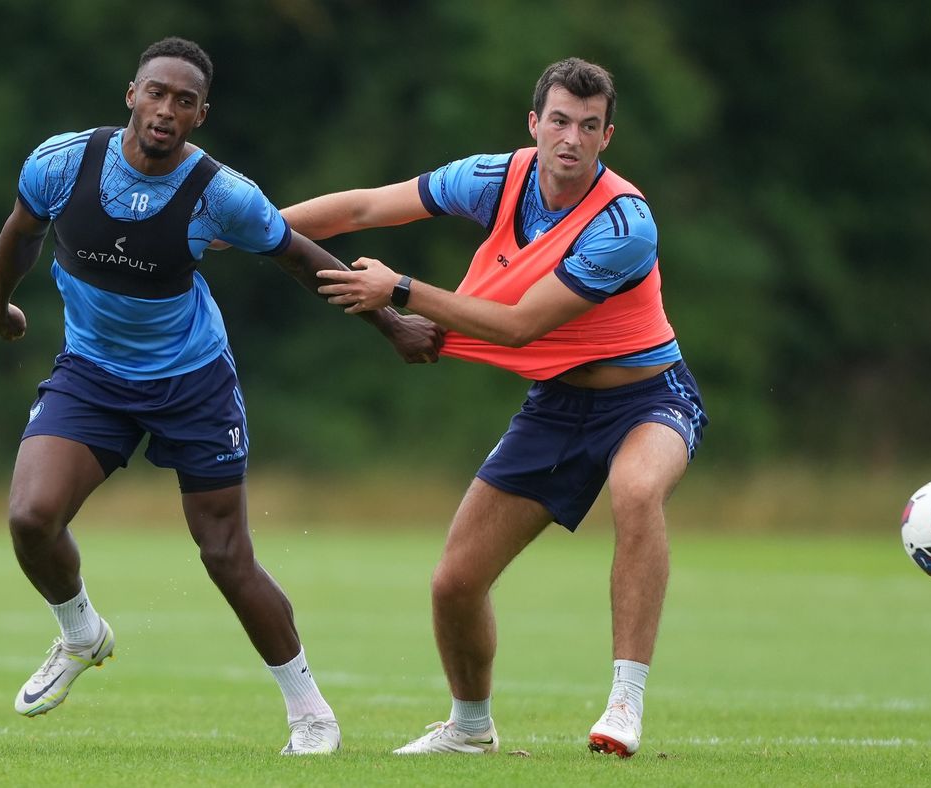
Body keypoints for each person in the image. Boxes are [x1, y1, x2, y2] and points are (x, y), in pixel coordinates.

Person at [0, 36, 440, 756]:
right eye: (156, 93)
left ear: (201, 115)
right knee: (30, 518)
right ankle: (81, 634)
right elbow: (21, 231)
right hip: (93, 375)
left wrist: (392, 326)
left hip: (192, 382)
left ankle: (311, 714)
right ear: (131, 95)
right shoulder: (61, 163)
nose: (166, 109)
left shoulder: (222, 195)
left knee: (225, 554)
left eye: (184, 101)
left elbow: (301, 257)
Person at [286, 57, 708, 758]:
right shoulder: (494, 178)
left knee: (636, 491)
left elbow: (518, 327)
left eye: (590, 126)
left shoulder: (625, 224)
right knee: (455, 583)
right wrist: (248, 228)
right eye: (560, 121)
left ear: (608, 137)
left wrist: (401, 290)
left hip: (649, 398)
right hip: (558, 406)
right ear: (534, 123)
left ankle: (624, 703)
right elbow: (363, 209)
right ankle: (470, 729)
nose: (572, 138)